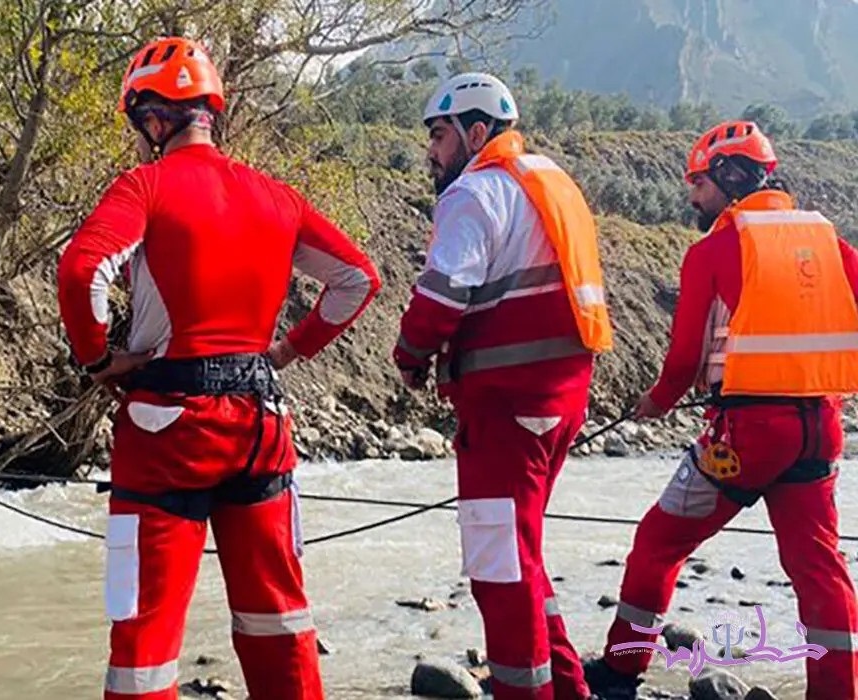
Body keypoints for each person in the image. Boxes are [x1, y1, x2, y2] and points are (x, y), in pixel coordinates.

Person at [56, 36, 381, 700]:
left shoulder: (145, 185)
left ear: (153, 117)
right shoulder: (275, 195)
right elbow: (357, 280)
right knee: (278, 617)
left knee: (143, 634)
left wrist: (97, 360)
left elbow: (83, 271)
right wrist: (290, 349)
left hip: (166, 429)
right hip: (262, 424)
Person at [585, 121, 858, 700]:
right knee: (818, 569)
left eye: (700, 183)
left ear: (731, 179)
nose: (692, 196)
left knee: (659, 540)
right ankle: (838, 692)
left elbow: (684, 360)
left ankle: (620, 669)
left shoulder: (715, 249)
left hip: (746, 437)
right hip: (821, 430)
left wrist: (655, 404)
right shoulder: (831, 244)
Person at [393, 72, 613, 700]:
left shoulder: (476, 192)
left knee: (497, 570)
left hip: (506, 408)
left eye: (439, 135)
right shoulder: (553, 182)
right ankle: (569, 688)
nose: (432, 152)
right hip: (561, 401)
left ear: (476, 132)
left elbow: (442, 293)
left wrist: (409, 354)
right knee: (523, 554)